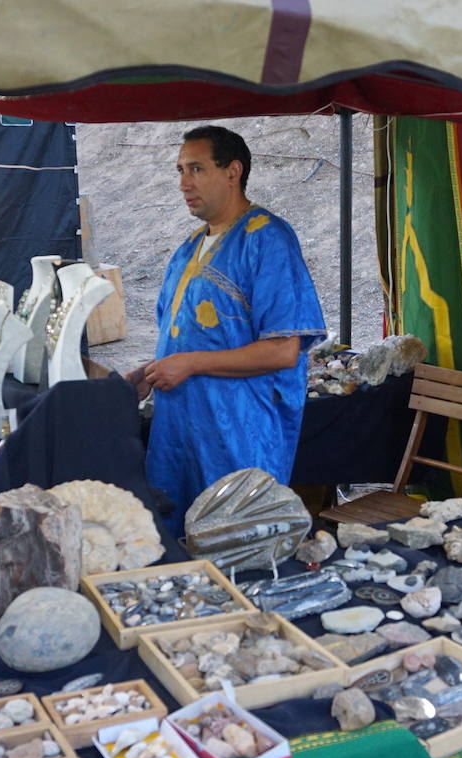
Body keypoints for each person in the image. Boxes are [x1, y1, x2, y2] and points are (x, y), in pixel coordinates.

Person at [126, 125, 325, 532]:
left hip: (238, 432)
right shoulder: (187, 249)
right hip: (180, 431)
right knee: (181, 544)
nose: (183, 183)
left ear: (233, 171)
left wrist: (191, 364)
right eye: (180, 170)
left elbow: (283, 350)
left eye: (196, 169)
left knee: (236, 544)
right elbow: (193, 340)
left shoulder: (267, 239)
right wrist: (152, 369)